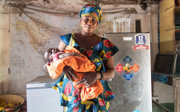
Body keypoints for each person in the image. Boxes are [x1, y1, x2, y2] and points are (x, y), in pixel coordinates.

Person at [52, 4, 119, 112]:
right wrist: (63, 67)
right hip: (73, 95)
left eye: (94, 20)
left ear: (98, 23)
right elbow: (53, 60)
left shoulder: (105, 44)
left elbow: (112, 72)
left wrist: (97, 75)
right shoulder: (68, 40)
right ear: (80, 20)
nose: (89, 23)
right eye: (86, 19)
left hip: (96, 95)